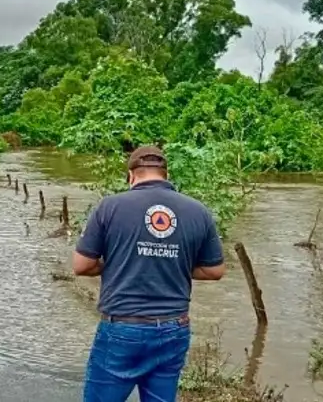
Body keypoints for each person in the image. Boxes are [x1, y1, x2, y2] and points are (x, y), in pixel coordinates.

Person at [73, 145, 225, 402]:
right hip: (174, 327)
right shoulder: (198, 211)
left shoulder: (110, 207)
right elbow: (215, 270)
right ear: (166, 174)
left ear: (131, 176)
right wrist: (173, 262)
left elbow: (81, 265)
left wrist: (117, 264)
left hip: (123, 328)